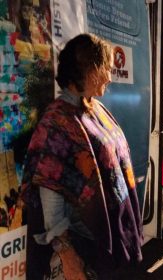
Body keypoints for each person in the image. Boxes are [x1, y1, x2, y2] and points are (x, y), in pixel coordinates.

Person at [21, 33, 143, 280]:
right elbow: (49, 192)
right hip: (82, 246)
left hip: (100, 241)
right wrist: (67, 255)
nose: (110, 77)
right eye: (106, 69)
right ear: (89, 68)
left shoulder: (93, 107)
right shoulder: (57, 120)